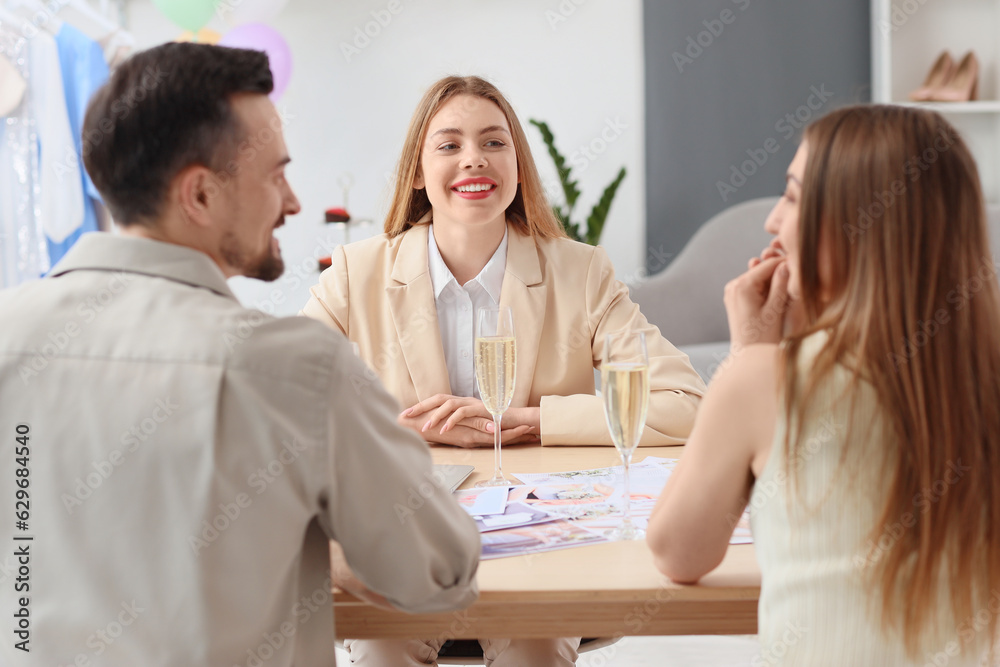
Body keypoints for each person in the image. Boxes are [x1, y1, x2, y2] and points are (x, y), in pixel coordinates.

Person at [0, 43, 480, 666]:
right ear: (199, 195)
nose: (295, 201)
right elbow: (438, 573)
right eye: (276, 174)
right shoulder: (293, 369)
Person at [303, 76, 706, 666]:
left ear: (518, 164)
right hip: (401, 537)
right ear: (417, 172)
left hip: (541, 538)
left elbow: (685, 402)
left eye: (495, 142)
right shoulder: (354, 274)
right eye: (448, 145)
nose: (474, 159)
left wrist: (531, 421)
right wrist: (401, 428)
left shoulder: (580, 272)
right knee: (381, 647)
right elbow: (281, 412)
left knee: (535, 646)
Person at [646, 105, 1000, 665]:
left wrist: (749, 356)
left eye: (791, 194)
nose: (772, 222)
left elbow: (675, 552)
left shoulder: (762, 379)